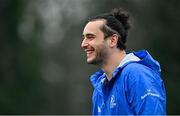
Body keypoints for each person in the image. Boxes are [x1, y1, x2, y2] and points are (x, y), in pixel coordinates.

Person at [81, 8, 166, 115]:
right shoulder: (99, 90)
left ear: (112, 40)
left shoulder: (137, 75)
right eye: (84, 38)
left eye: (90, 37)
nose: (83, 44)